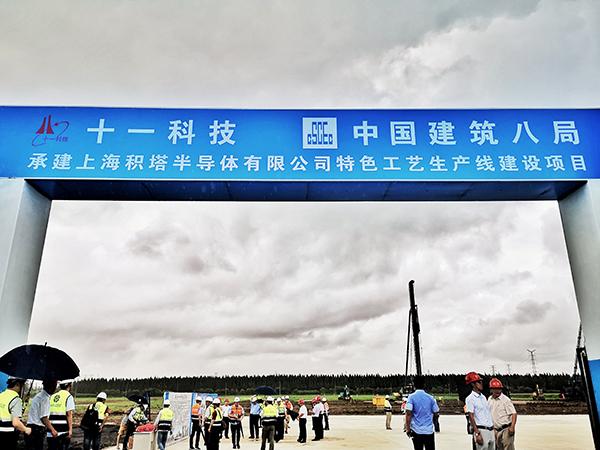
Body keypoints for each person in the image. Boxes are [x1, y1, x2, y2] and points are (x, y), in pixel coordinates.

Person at [405, 375, 439, 450]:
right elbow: (436, 412)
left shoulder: (411, 397)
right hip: (429, 431)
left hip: (416, 431)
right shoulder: (431, 398)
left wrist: (408, 429)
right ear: (424, 384)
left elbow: (408, 413)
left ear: (414, 384)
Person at [465, 372, 495, 450]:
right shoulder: (470, 398)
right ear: (473, 384)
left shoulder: (483, 397)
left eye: (481, 381)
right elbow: (471, 416)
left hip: (490, 429)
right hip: (481, 430)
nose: (481, 383)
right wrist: (477, 433)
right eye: (479, 382)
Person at [0, 377, 31, 450]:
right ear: (17, 384)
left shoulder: (1, 395)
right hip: (7, 435)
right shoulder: (16, 399)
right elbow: (16, 423)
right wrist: (26, 429)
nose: (22, 388)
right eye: (22, 385)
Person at [26, 379, 58, 450]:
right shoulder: (45, 398)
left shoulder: (38, 396)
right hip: (37, 430)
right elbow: (44, 418)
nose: (55, 388)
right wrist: (53, 430)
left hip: (30, 428)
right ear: (51, 386)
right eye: (55, 385)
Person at [487, 378, 517, 450]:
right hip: (495, 430)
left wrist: (512, 427)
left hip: (506, 429)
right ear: (491, 390)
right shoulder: (489, 399)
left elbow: (514, 414)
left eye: (499, 389)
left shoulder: (505, 400)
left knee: (508, 448)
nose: (498, 391)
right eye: (495, 389)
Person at [47, 379, 75, 450]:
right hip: (62, 431)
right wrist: (70, 430)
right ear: (69, 386)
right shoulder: (68, 396)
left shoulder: (52, 396)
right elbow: (69, 414)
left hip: (51, 430)